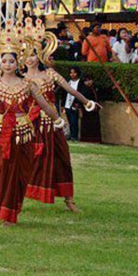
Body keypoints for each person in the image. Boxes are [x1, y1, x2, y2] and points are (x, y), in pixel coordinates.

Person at [0, 17, 64, 226]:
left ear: (18, 62)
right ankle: (4, 210)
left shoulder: (27, 84)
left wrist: (57, 119)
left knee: (20, 172)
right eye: (4, 60)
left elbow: (44, 104)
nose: (7, 64)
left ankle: (13, 209)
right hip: (2, 134)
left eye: (11, 61)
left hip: (24, 133)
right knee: (2, 171)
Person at [21, 19, 99, 211]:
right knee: (27, 161)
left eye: (33, 55)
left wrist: (87, 101)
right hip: (31, 125)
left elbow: (70, 89)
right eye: (26, 55)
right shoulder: (21, 79)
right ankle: (17, 199)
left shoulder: (50, 74)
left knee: (62, 160)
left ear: (40, 55)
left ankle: (69, 200)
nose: (30, 59)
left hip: (53, 125)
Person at [62, 67, 83, 140]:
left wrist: (78, 103)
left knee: (74, 121)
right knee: (70, 121)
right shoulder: (68, 82)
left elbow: (80, 93)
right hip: (67, 104)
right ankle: (71, 135)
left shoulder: (80, 82)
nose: (72, 74)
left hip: (75, 105)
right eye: (71, 73)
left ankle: (75, 136)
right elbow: (64, 93)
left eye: (74, 72)